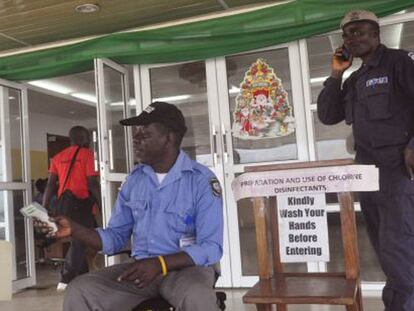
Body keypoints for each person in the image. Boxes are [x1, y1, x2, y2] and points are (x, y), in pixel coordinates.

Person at [38, 102, 223, 311]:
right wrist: (74, 228)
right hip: (141, 270)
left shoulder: (201, 181)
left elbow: (211, 247)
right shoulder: (135, 180)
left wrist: (160, 264)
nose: (135, 138)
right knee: (80, 289)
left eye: (144, 133)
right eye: (136, 132)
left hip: (187, 270)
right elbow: (116, 237)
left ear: (168, 138)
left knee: (197, 297)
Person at [317, 9, 414, 311]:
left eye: (360, 32)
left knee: (399, 248)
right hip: (368, 175)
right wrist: (336, 73)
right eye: (348, 34)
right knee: (385, 251)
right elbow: (328, 114)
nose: (353, 38)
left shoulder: (399, 63)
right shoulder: (355, 78)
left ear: (376, 35)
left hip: (398, 172)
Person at [42, 126, 100, 291]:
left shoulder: (58, 157)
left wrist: (44, 207)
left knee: (79, 241)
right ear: (82, 138)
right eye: (87, 137)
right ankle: (66, 277)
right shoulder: (88, 155)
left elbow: (51, 185)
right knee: (81, 241)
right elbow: (92, 184)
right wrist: (102, 203)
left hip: (64, 206)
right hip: (81, 206)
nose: (88, 141)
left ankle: (82, 277)